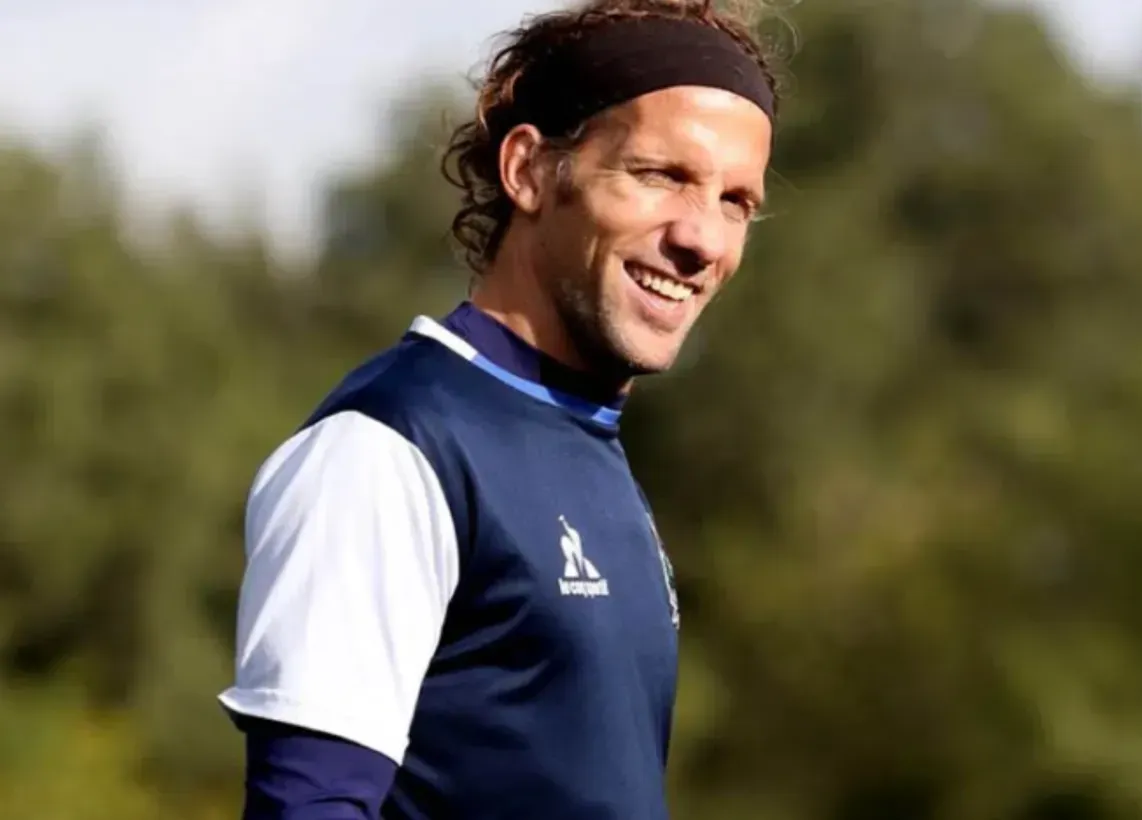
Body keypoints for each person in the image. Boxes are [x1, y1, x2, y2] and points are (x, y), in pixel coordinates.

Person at [217, 0, 782, 817]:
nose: (702, 238)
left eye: (736, 202)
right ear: (529, 171)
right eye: (662, 176)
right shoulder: (389, 446)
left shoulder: (588, 439)